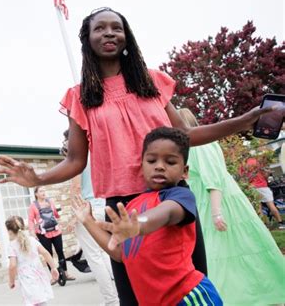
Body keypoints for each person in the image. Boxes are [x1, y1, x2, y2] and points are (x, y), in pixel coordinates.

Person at [0, 7, 270, 305]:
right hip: (123, 207)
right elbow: (76, 160)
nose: (109, 32)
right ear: (87, 38)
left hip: (170, 198)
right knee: (135, 295)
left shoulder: (152, 82)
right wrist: (39, 177)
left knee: (188, 287)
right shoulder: (80, 96)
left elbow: (184, 136)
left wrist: (243, 120)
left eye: (117, 27)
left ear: (127, 37)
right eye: (100, 28)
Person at [72, 127, 223, 305]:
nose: (159, 166)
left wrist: (140, 224)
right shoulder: (133, 207)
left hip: (188, 297)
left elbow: (167, 213)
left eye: (170, 162)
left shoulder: (179, 196)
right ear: (141, 166)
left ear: (185, 171)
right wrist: (88, 221)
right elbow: (121, 254)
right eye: (151, 160)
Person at [178, 109, 285, 304]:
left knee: (222, 252)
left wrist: (216, 213)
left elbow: (213, 179)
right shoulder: (197, 143)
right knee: (231, 251)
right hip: (209, 202)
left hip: (215, 202)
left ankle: (235, 297)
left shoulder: (200, 145)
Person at [62, 130, 119, 306]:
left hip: (88, 208)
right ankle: (117, 294)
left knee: (94, 257)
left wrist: (74, 216)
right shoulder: (98, 155)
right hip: (103, 205)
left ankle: (111, 300)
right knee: (104, 253)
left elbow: (76, 188)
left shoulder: (78, 159)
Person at [6, 216, 59, 306]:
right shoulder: (32, 240)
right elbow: (45, 253)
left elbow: (12, 266)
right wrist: (53, 267)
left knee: (32, 302)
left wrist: (11, 281)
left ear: (9, 231)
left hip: (27, 280)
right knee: (41, 301)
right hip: (39, 276)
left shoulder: (12, 246)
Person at [28, 187, 75, 283]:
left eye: (44, 191)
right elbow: (30, 220)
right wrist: (32, 233)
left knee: (60, 251)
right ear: (36, 194)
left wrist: (58, 213)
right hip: (43, 234)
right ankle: (54, 277)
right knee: (48, 254)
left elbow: (55, 214)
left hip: (56, 231)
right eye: (41, 191)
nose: (43, 192)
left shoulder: (50, 202)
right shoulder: (33, 206)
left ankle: (65, 273)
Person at [242, 156, 285, 228]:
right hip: (263, 187)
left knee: (258, 207)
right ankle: (280, 223)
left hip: (253, 188)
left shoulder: (243, 165)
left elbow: (243, 178)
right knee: (271, 205)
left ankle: (263, 225)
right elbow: (265, 175)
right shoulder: (259, 162)